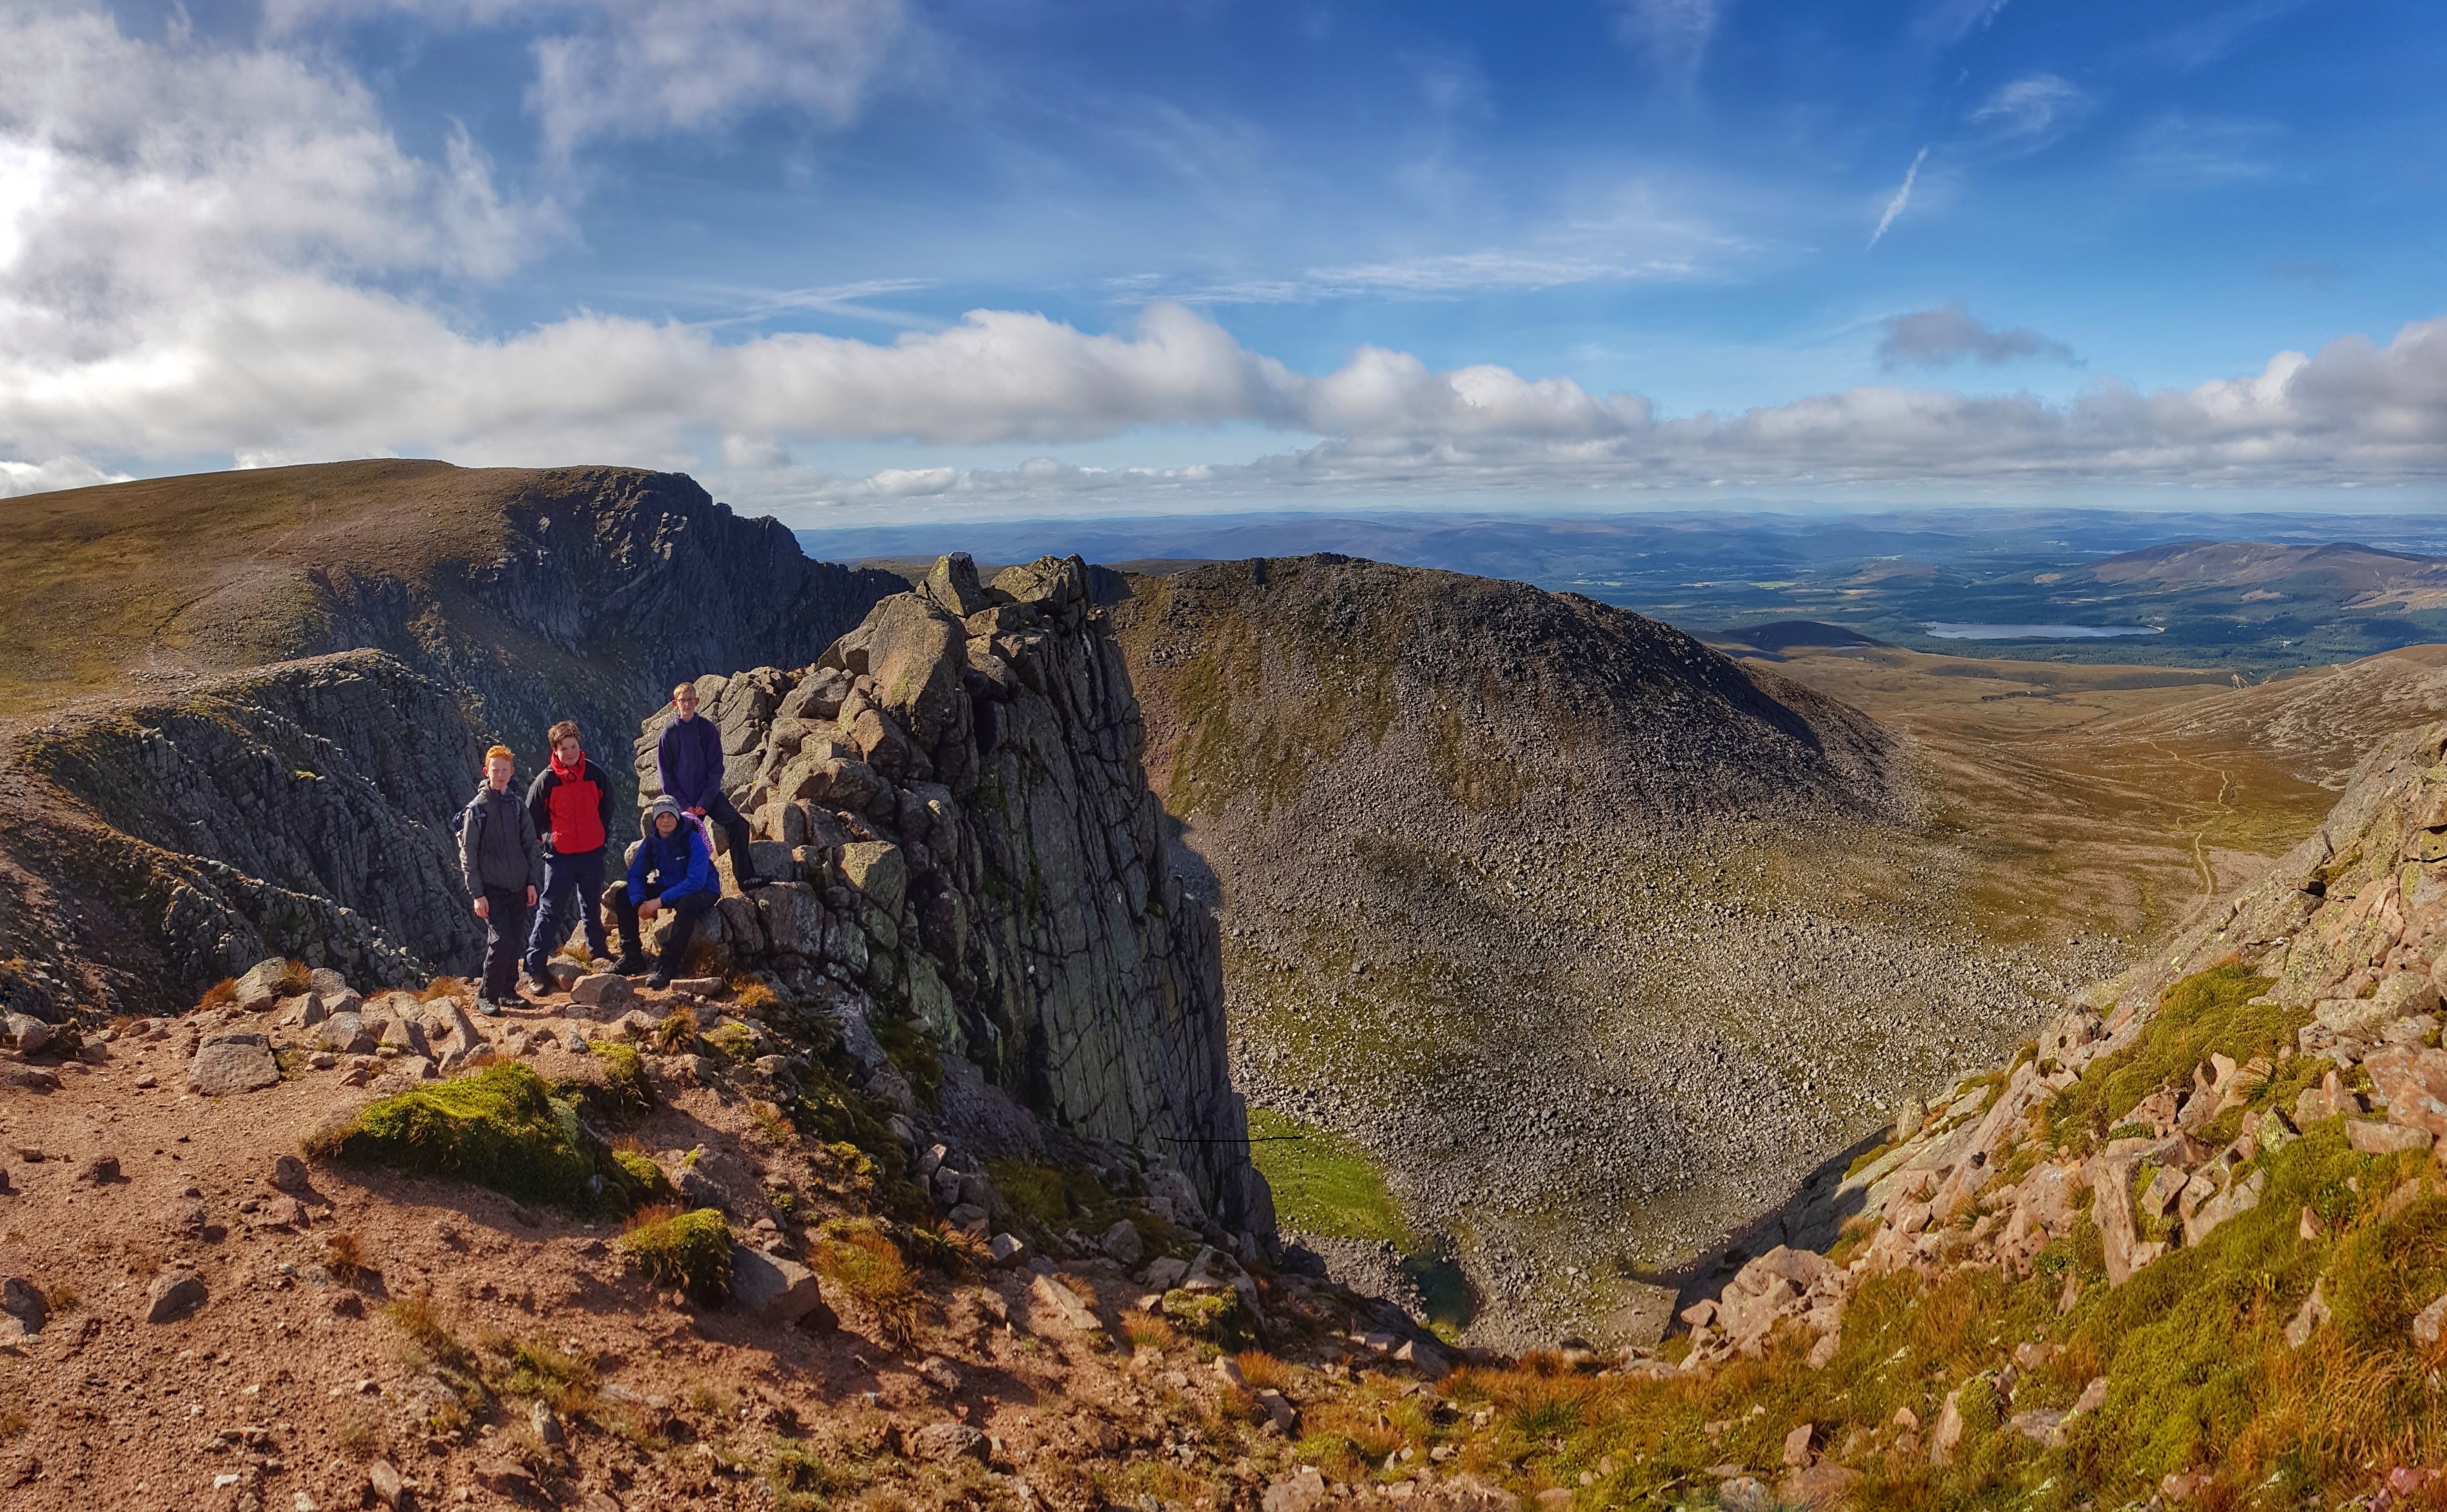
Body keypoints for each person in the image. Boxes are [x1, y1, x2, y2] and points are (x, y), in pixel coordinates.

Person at [523, 719, 616, 994]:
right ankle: (535, 969)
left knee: (591, 904)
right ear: (556, 750)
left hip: (591, 853)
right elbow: (531, 815)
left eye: (574, 746)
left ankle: (598, 953)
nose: (571, 752)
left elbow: (607, 806)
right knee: (550, 910)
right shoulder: (547, 780)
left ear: (579, 745)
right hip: (560, 857)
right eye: (564, 748)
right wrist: (548, 838)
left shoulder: (595, 775)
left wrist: (599, 834)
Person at [457, 743, 541, 1016]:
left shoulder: (517, 805)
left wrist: (532, 883)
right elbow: (468, 854)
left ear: (512, 771)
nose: (501, 775)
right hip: (492, 888)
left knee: (514, 939)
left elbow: (530, 845)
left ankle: (508, 991)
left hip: (518, 886)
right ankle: (487, 995)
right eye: (496, 770)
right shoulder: (477, 810)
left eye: (505, 770)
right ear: (486, 772)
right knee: (501, 940)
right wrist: (477, 894)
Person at [656, 680, 763, 891]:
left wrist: (705, 801)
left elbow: (716, 768)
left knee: (738, 824)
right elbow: (666, 777)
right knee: (683, 842)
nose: (687, 704)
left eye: (690, 700)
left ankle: (746, 879)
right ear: (675, 705)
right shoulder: (669, 734)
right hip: (684, 801)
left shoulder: (707, 729)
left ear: (697, 702)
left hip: (708, 796)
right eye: (683, 701)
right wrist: (685, 805)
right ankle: (684, 888)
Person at [605, 796, 717, 988]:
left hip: (704, 889)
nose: (666, 821)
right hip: (670, 886)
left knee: (687, 904)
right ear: (655, 819)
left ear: (678, 817)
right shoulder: (652, 842)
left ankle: (668, 964)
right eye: (661, 816)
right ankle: (632, 957)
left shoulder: (692, 839)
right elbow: (636, 874)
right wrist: (639, 902)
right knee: (624, 895)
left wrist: (659, 901)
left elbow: (696, 881)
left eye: (670, 815)